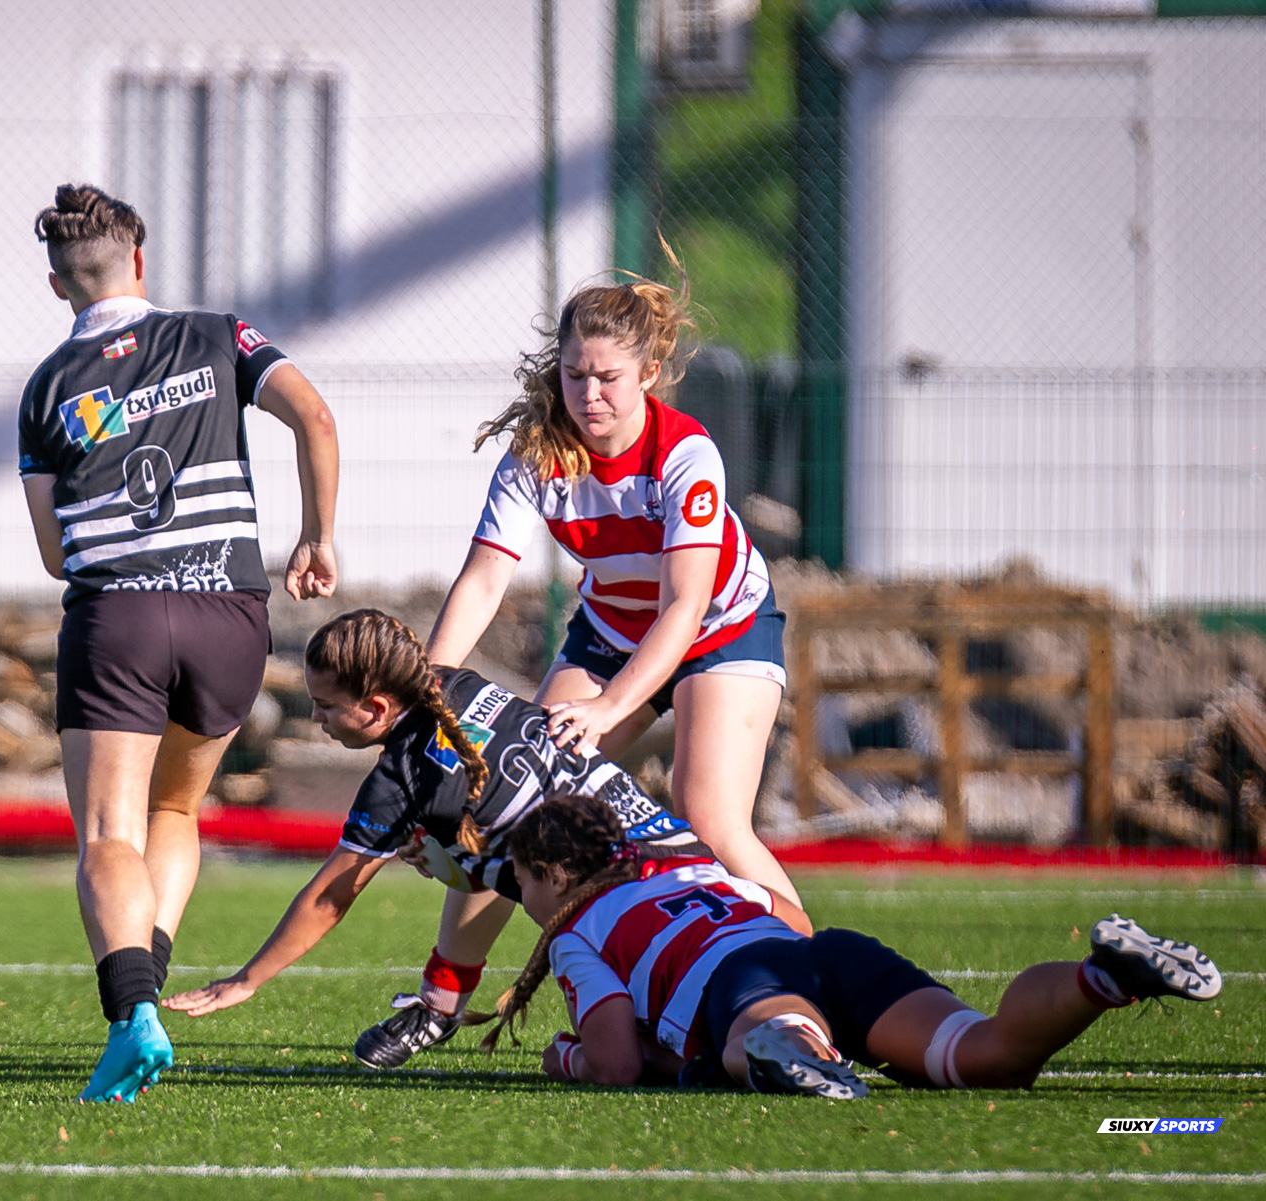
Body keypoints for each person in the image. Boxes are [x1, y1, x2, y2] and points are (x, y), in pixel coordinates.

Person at [417, 256, 797, 1029]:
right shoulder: (537, 451)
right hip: (611, 633)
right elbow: (486, 579)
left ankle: (806, 973)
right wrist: (429, 691)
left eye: (608, 378)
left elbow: (687, 606)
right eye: (574, 375)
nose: (590, 395)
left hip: (720, 630)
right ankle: (440, 999)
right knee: (514, 798)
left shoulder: (686, 455)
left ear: (650, 372)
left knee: (708, 815)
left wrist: (612, 706)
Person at [20, 184, 339, 1103]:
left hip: (118, 615)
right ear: (141, 263)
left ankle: (131, 1017)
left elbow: (53, 552)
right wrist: (316, 535)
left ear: (57, 285)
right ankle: (145, 997)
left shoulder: (46, 388)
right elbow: (315, 416)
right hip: (229, 611)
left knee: (108, 830)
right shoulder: (218, 334)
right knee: (175, 812)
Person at [162, 608, 693, 1070]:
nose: (317, 718)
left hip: (633, 917)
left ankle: (446, 1009)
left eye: (325, 705)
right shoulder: (458, 684)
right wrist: (442, 843)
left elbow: (329, 897)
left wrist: (247, 980)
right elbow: (478, 806)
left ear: (376, 709)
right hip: (691, 865)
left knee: (627, 1056)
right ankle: (441, 1006)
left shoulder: (399, 781)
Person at [488, 794, 1223, 1098]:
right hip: (814, 950)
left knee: (771, 1033)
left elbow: (614, 1061)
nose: (525, 903)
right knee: (986, 1053)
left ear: (556, 876)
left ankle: (785, 1042)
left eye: (523, 884)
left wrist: (567, 1056)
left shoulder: (577, 932)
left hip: (744, 975)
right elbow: (790, 918)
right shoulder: (685, 868)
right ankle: (1104, 976)